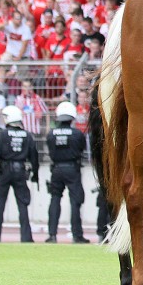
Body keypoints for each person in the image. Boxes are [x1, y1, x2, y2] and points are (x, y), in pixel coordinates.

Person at [0, 105, 39, 242]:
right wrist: (35, 173)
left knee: (0, 204)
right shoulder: (27, 135)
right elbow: (34, 156)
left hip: (5, 171)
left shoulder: (3, 134)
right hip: (20, 171)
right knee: (23, 205)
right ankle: (26, 237)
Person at [45, 101, 89, 244]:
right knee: (75, 202)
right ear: (72, 117)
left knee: (55, 199)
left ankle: (52, 235)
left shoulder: (51, 134)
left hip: (56, 169)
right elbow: (82, 149)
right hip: (72, 168)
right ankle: (77, 235)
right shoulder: (77, 134)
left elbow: (50, 150)